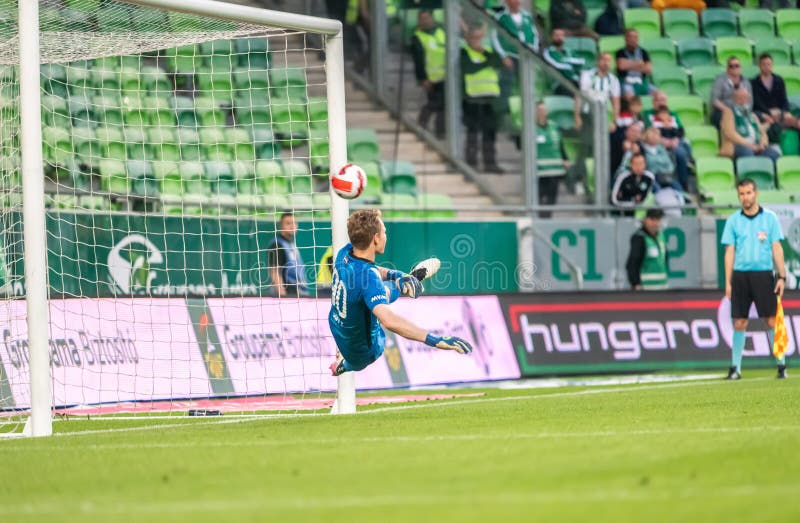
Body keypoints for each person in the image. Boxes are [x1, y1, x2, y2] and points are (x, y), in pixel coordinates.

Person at [329, 209, 473, 375]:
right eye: (384, 232)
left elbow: (372, 270)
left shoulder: (344, 253)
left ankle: (406, 281)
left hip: (337, 326)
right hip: (363, 351)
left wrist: (396, 275)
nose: (386, 236)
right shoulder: (368, 278)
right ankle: (343, 365)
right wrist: (436, 340)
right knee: (381, 295)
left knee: (372, 292)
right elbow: (389, 321)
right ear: (375, 238)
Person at [721, 178, 787, 380]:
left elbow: (776, 247)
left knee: (769, 320)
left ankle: (781, 364)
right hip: (741, 276)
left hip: (763, 274)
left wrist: (782, 276)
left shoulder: (770, 218)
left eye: (748, 193)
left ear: (756, 193)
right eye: (741, 194)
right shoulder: (733, 220)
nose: (745, 197)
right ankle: (735, 368)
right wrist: (728, 281)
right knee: (739, 322)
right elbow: (729, 252)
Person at [461, 25, 505, 173]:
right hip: (472, 99)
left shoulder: (489, 52)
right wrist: (487, 62)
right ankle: (471, 162)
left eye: (479, 38)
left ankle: (490, 163)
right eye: (474, 38)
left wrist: (484, 53)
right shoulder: (464, 52)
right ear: (468, 39)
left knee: (490, 133)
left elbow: (499, 63)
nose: (477, 41)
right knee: (472, 132)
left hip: (489, 100)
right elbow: (469, 68)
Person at [719, 88, 780, 163]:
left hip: (756, 145)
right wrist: (749, 145)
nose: (743, 100)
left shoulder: (752, 115)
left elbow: (761, 131)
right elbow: (729, 133)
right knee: (747, 153)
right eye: (740, 98)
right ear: (735, 99)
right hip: (738, 145)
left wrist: (762, 145)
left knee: (773, 154)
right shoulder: (728, 112)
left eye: (745, 98)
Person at [411, 10, 446, 138]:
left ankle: (441, 132)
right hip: (431, 77)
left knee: (444, 107)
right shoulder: (418, 37)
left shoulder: (441, 32)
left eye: (428, 18)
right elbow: (418, 60)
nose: (426, 21)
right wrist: (423, 78)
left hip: (445, 76)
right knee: (434, 103)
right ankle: (422, 122)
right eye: (423, 18)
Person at [751, 53, 799, 144]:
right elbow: (757, 103)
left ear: (772, 65)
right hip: (763, 113)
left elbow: (784, 100)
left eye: (769, 64)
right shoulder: (754, 83)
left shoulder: (779, 80)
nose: (766, 67)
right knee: (769, 120)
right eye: (764, 64)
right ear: (759, 66)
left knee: (792, 119)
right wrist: (769, 113)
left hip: (779, 112)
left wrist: (783, 111)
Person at [536, 102, 569, 216]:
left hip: (555, 169)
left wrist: (565, 158)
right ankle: (541, 217)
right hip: (540, 171)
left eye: (543, 110)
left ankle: (547, 216)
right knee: (540, 198)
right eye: (539, 110)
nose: (541, 112)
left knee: (552, 198)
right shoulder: (531, 129)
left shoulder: (554, 126)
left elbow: (560, 144)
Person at [575, 51, 621, 132]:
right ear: (597, 61)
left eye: (608, 60)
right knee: (589, 141)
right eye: (604, 60)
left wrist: (614, 121)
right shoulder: (587, 75)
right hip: (588, 113)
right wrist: (577, 116)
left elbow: (616, 102)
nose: (606, 63)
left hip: (604, 114)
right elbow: (579, 96)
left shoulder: (614, 80)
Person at [267, 211, 309, 298]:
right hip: (287, 294)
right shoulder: (277, 245)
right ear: (281, 226)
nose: (292, 226)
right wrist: (283, 296)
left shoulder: (291, 244)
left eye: (294, 223)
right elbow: (274, 272)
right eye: (288, 223)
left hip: (298, 291)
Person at [626, 208, 668, 290]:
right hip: (646, 289)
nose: (655, 223)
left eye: (658, 220)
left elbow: (664, 259)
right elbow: (633, 263)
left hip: (662, 287)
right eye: (652, 219)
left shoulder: (661, 236)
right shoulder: (640, 238)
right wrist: (636, 283)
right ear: (645, 220)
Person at [710, 57, 752, 129]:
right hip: (723, 111)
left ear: (740, 67)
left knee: (753, 118)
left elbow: (750, 101)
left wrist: (741, 111)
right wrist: (727, 110)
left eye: (737, 65)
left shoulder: (746, 82)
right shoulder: (720, 80)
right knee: (723, 117)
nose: (734, 68)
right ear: (727, 68)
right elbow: (715, 100)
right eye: (731, 66)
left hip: (741, 111)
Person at [543, 28, 586, 96]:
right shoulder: (547, 52)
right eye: (556, 35)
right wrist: (572, 64)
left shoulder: (569, 50)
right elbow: (558, 65)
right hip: (558, 82)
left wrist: (567, 60)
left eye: (561, 35)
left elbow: (582, 61)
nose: (559, 38)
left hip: (574, 80)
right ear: (551, 37)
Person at [615, 29, 654, 98]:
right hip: (626, 82)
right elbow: (621, 66)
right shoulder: (620, 52)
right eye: (631, 37)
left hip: (642, 81)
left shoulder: (643, 52)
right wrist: (639, 63)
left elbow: (649, 69)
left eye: (635, 37)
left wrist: (628, 65)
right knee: (629, 96)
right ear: (626, 38)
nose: (633, 39)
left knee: (658, 94)